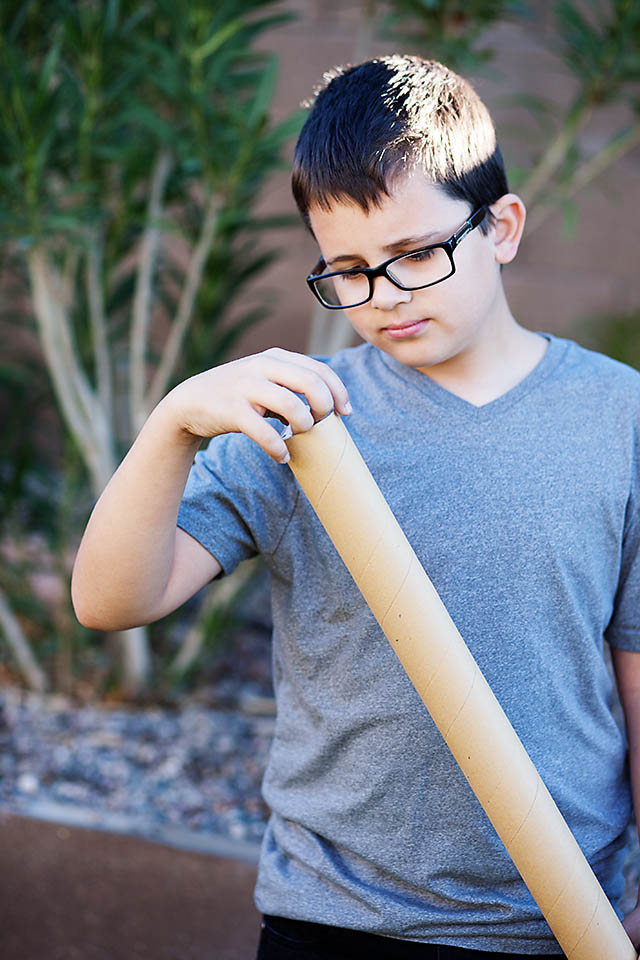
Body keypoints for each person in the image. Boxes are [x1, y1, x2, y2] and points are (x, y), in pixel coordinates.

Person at [71, 55, 640, 958]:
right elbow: (110, 601)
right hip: (336, 919)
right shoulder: (301, 417)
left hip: (562, 923)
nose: (386, 297)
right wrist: (173, 424)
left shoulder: (619, 417)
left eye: (415, 255)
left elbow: (634, 669)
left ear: (501, 227)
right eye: (348, 270)